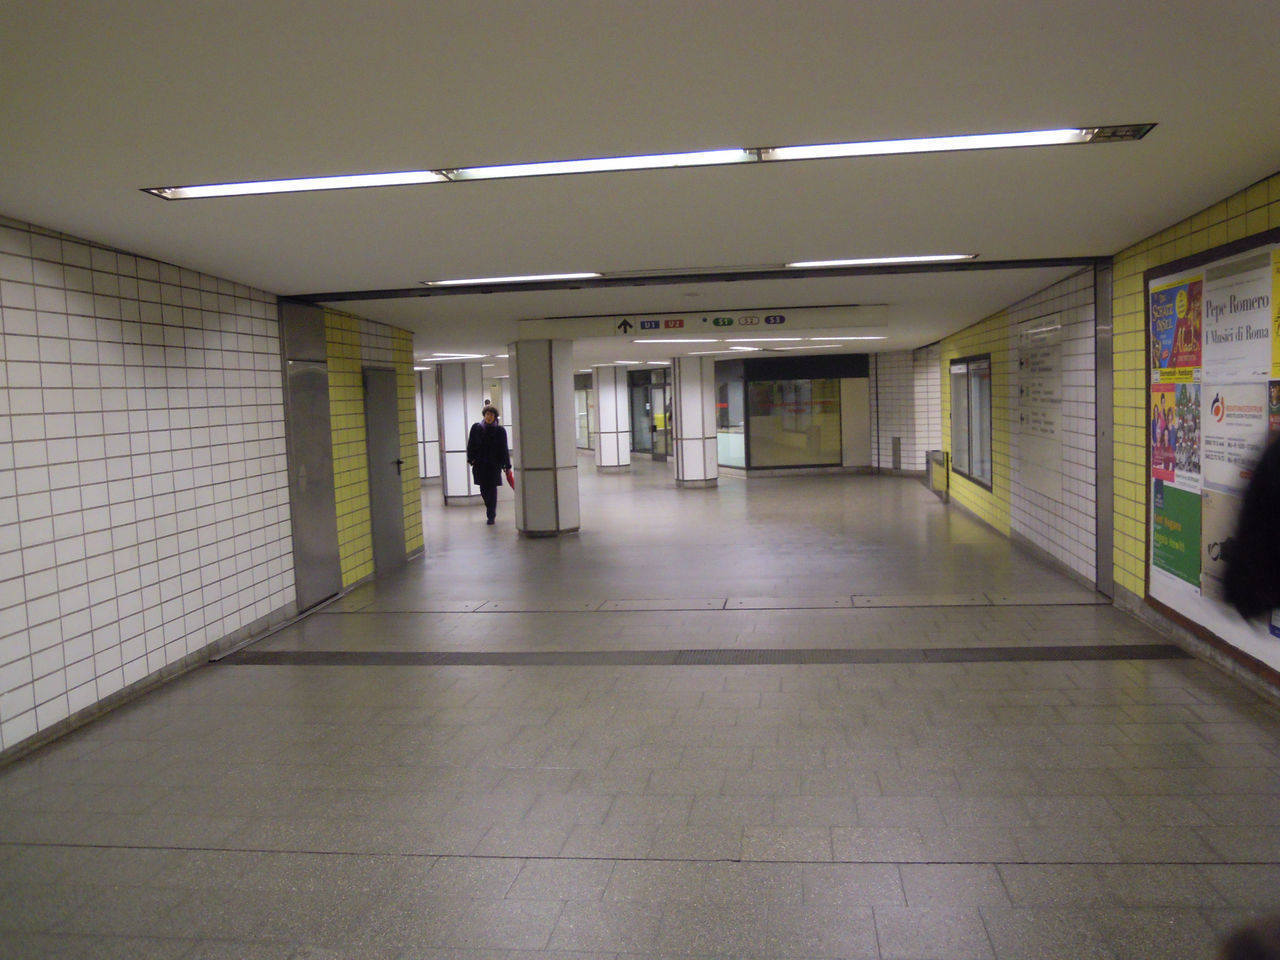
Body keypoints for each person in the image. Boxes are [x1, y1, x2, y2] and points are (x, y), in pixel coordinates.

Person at [466, 405, 510, 525]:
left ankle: (491, 514)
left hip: (493, 464)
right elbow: (471, 445)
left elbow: (503, 449)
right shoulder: (476, 428)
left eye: (491, 415)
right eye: (487, 415)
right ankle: (489, 507)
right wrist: (471, 459)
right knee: (483, 489)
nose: (488, 417)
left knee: (492, 489)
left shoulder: (500, 431)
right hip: (480, 464)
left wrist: (506, 465)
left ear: (495, 417)